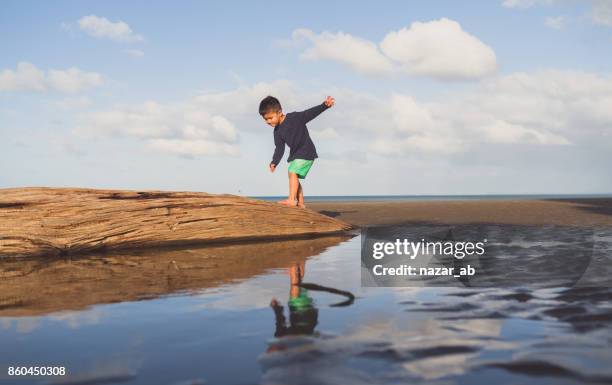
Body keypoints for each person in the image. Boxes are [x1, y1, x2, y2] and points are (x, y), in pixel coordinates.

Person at [259, 95, 335, 208]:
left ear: (279, 112)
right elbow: (279, 148)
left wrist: (324, 105)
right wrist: (274, 161)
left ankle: (291, 199)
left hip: (306, 150)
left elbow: (310, 113)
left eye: (270, 118)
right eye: (266, 119)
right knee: (292, 176)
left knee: (292, 171)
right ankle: (301, 203)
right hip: (296, 154)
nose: (268, 121)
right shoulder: (277, 131)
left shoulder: (294, 118)